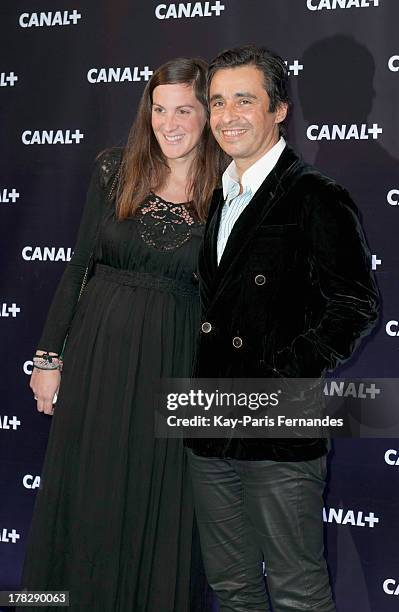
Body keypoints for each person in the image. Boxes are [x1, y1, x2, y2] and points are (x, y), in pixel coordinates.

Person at [20, 57, 225, 612]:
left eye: (184, 109)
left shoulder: (229, 190)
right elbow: (78, 266)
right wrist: (48, 356)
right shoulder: (115, 169)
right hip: (98, 354)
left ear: (208, 114)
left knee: (160, 503)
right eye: (159, 109)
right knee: (88, 493)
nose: (170, 122)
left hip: (175, 359)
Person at [185, 45, 380, 612]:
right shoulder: (220, 195)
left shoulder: (315, 196)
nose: (226, 116)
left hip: (279, 420)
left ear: (279, 110)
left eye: (243, 100)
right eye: (217, 102)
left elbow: (355, 302)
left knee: (296, 589)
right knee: (233, 587)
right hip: (209, 422)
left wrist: (284, 372)